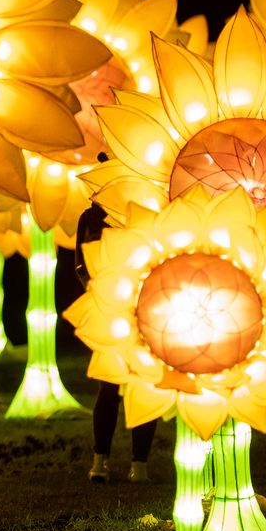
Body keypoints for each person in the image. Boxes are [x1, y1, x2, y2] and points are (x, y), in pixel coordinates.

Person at [75, 153, 156, 484]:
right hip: (109, 307)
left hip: (147, 306)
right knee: (108, 386)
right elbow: (81, 262)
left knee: (144, 384)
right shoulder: (92, 218)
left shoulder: (148, 211)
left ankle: (140, 463)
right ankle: (101, 460)